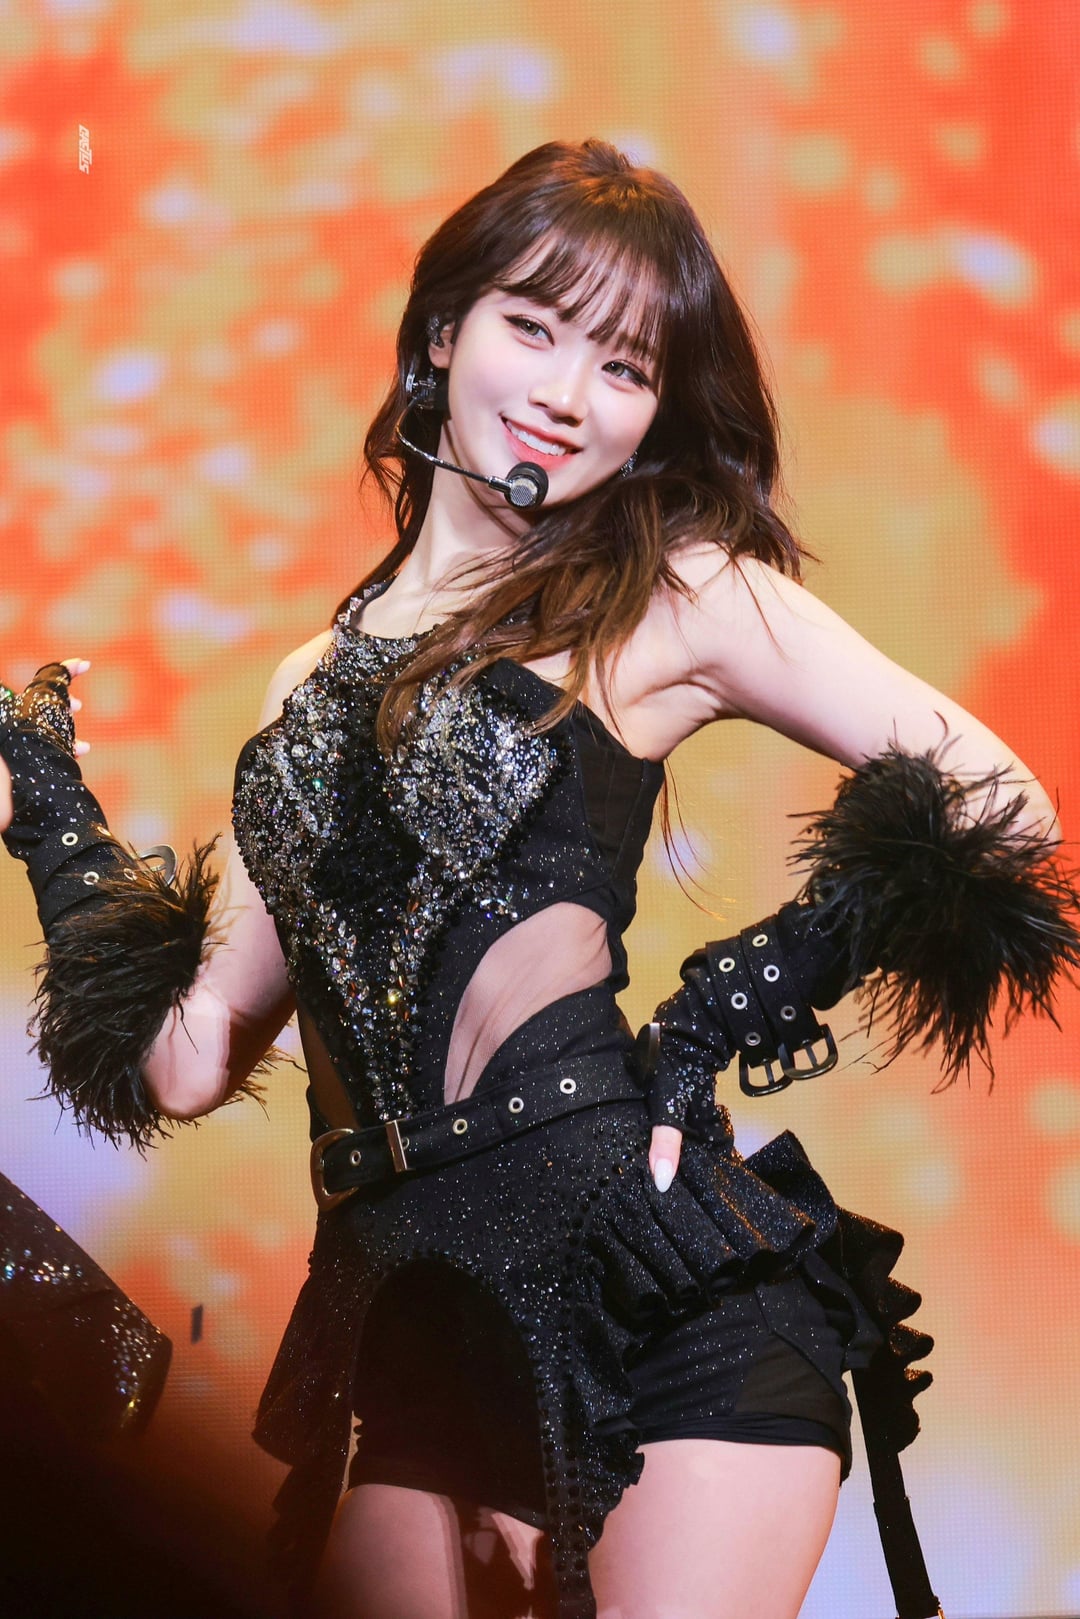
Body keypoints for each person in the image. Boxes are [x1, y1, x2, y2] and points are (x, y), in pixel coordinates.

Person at [1, 141, 1075, 1619]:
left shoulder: (675, 592)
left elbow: (1001, 802)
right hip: (416, 1337)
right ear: (444, 331)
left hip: (662, 1312)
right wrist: (48, 813)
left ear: (656, 412)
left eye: (626, 367)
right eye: (535, 327)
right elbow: (185, 1061)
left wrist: (721, 1009)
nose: (571, 393)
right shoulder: (304, 686)